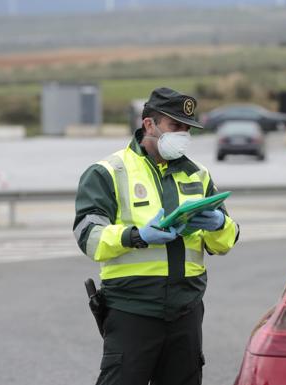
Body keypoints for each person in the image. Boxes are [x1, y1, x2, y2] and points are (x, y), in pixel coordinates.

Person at [73, 87, 239, 385]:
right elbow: (89, 237)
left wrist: (218, 224)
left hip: (186, 312)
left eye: (188, 129)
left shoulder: (197, 174)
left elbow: (224, 242)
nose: (183, 135)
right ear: (149, 124)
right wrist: (136, 235)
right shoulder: (108, 172)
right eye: (175, 126)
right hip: (131, 310)